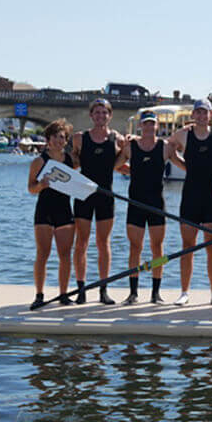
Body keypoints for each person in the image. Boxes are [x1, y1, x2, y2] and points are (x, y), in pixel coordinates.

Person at [166, 99, 212, 305]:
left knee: (211, 245)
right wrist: (181, 164)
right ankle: (184, 291)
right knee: (188, 245)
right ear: (193, 115)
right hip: (190, 194)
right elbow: (170, 146)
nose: (202, 116)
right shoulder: (184, 134)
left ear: (211, 115)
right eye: (199, 113)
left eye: (206, 113)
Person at [70, 98, 126, 305]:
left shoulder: (117, 139)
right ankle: (81, 289)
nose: (101, 116)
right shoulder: (79, 138)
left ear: (110, 116)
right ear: (91, 115)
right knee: (81, 242)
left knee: (103, 243)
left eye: (104, 113)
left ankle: (103, 290)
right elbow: (73, 164)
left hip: (105, 196)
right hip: (83, 195)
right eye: (97, 113)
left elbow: (120, 163)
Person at [114, 110, 172, 305]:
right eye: (145, 124)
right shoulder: (131, 147)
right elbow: (115, 165)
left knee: (158, 249)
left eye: (152, 124)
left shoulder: (165, 147)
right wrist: (133, 170)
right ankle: (133, 292)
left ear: (157, 126)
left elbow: (185, 165)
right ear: (140, 126)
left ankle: (156, 292)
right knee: (135, 248)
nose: (148, 127)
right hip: (136, 203)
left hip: (157, 204)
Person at [27, 118, 76, 310]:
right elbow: (30, 188)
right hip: (44, 211)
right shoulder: (39, 161)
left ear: (66, 140)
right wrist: (41, 185)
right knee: (43, 253)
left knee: (65, 254)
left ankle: (63, 294)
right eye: (55, 137)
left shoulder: (71, 160)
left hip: (64, 210)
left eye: (62, 137)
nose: (58, 140)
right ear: (48, 139)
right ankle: (39, 295)